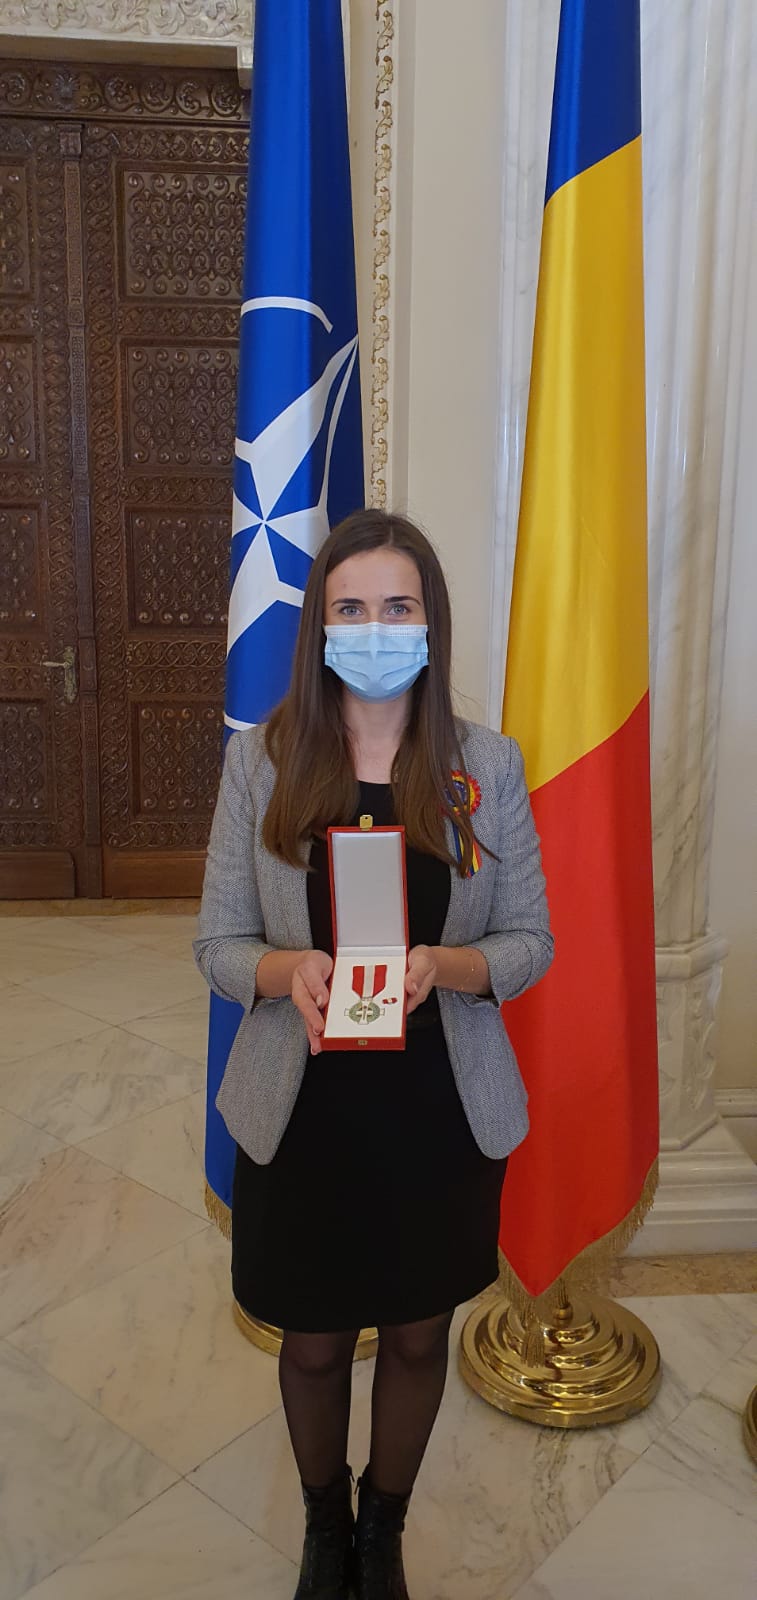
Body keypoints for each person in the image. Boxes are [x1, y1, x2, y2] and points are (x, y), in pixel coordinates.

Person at [194, 508, 553, 1600]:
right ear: (319, 626)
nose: (375, 627)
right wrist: (281, 972)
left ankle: (380, 1530)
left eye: (398, 606)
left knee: (414, 1337)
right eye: (350, 608)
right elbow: (217, 942)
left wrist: (447, 964)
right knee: (311, 1344)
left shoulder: (484, 765)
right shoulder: (262, 762)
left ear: (430, 622)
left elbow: (529, 942)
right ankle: (323, 1523)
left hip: (436, 1104)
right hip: (303, 1103)